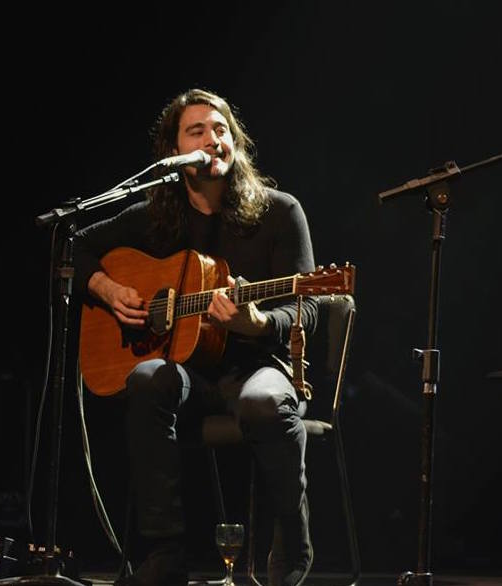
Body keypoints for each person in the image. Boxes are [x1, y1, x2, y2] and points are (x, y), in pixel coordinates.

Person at [74, 88, 319, 586]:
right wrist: (107, 287)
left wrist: (258, 323)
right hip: (187, 372)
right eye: (197, 131)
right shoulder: (154, 218)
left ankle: (293, 547)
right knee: (146, 378)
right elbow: (74, 248)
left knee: (265, 404)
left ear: (237, 142)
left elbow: (310, 305)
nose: (213, 139)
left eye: (221, 129)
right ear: (174, 154)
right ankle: (166, 555)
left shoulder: (279, 212)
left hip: (257, 366)